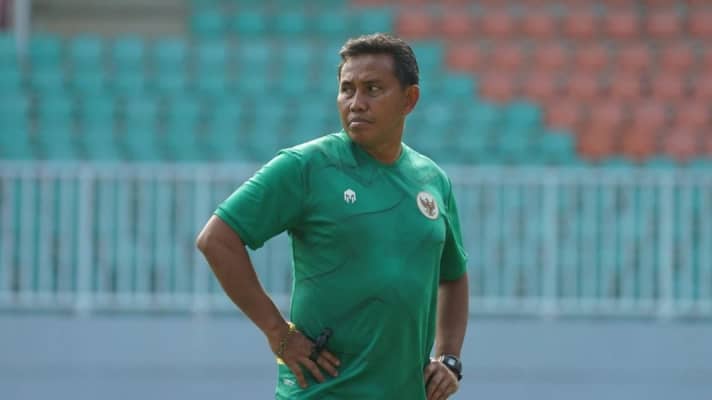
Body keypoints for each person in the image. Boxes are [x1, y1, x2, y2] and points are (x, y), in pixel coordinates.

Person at [196, 33, 469, 400]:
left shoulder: (433, 180)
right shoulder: (306, 166)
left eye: (373, 89)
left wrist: (449, 358)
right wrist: (278, 333)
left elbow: (453, 274)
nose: (356, 103)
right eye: (346, 90)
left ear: (409, 99)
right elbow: (217, 239)